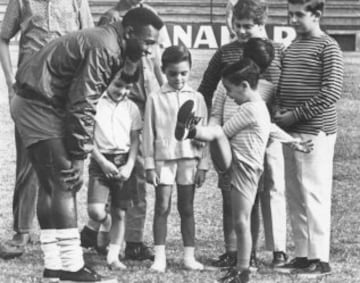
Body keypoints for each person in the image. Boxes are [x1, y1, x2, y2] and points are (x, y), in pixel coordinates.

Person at [10, 7, 163, 282]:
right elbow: (83, 105)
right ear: (129, 33)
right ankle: (71, 268)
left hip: (34, 101)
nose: (150, 50)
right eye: (148, 42)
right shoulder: (106, 46)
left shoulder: (109, 40)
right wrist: (80, 159)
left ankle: (54, 267)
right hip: (39, 104)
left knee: (50, 186)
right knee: (65, 183)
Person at [175, 58, 312, 283]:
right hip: (240, 166)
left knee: (241, 221)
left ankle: (243, 270)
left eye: (230, 90)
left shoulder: (250, 109)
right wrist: (292, 142)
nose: (229, 95)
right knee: (242, 220)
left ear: (245, 86)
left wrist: (198, 134)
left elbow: (224, 131)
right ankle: (242, 268)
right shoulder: (259, 107)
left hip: (243, 170)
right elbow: (271, 128)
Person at [0, 0, 93, 258]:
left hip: (64, 90)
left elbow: (89, 38)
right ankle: (21, 232)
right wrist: (9, 81)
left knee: (63, 161)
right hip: (29, 89)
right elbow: (3, 38)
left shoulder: (77, 1)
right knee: (28, 161)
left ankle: (62, 236)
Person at [199, 0, 288, 268]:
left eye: (248, 26)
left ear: (262, 24)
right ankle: (236, 250)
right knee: (235, 190)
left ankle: (278, 248)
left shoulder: (276, 50)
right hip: (233, 132)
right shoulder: (226, 52)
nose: (242, 30)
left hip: (266, 129)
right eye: (238, 25)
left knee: (272, 187)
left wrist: (277, 121)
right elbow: (206, 86)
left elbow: (283, 91)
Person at [80, 0, 165, 260]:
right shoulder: (113, 19)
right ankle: (116, 236)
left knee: (136, 177)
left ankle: (130, 238)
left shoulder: (151, 17)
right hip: (117, 100)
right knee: (118, 177)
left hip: (140, 101)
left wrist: (162, 94)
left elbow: (157, 62)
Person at [273, 0, 344, 277]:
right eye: (289, 14)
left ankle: (320, 259)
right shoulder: (291, 46)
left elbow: (331, 93)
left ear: (317, 15)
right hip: (290, 132)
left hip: (315, 130)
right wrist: (279, 108)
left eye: (299, 15)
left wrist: (294, 115)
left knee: (314, 193)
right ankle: (302, 254)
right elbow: (282, 83)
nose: (292, 20)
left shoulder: (328, 47)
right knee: (295, 194)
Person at [143, 45, 209, 272]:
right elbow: (148, 133)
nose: (178, 78)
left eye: (183, 73)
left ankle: (189, 256)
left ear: (190, 70)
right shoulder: (154, 98)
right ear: (163, 71)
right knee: (161, 206)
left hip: (189, 158)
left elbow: (204, 133)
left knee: (187, 208)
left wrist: (204, 164)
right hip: (164, 159)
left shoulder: (197, 97)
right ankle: (159, 257)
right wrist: (149, 165)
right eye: (172, 73)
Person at [86, 70, 142, 270]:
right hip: (101, 162)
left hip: (124, 162)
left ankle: (113, 255)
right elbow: (88, 138)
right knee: (95, 210)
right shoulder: (95, 105)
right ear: (107, 81)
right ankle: (105, 222)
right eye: (118, 85)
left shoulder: (132, 108)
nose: (123, 91)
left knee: (120, 212)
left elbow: (135, 140)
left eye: (127, 87)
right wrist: (102, 162)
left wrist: (129, 165)